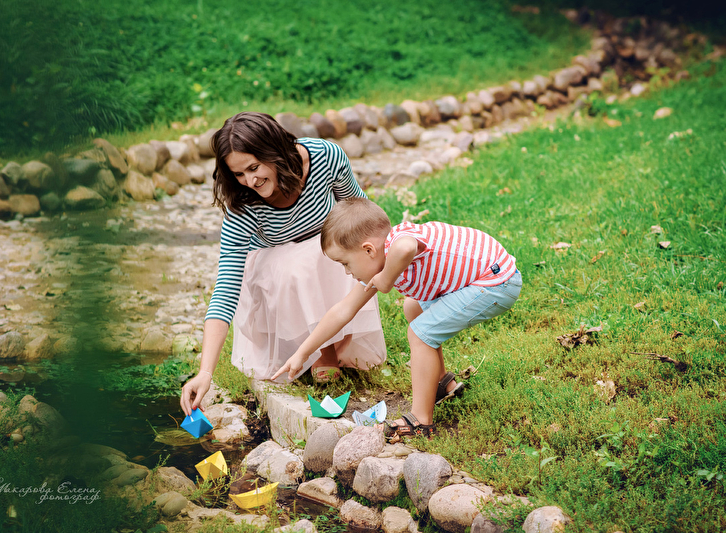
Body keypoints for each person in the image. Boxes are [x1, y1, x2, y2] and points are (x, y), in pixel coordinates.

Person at [180, 112, 386, 416]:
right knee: (301, 261)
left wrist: (395, 253)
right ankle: (311, 348)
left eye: (254, 167)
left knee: (333, 249)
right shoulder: (242, 203)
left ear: (275, 152)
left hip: (327, 255)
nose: (250, 181)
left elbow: (360, 212)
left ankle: (329, 346)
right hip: (276, 273)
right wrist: (205, 372)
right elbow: (226, 288)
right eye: (238, 174)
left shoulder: (325, 157)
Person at [271, 197, 522, 437]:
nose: (347, 272)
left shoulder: (398, 242)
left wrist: (386, 278)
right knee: (413, 308)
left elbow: (406, 248)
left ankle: (420, 421)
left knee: (420, 333)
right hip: (483, 278)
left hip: (496, 282)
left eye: (345, 263)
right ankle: (441, 382)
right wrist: (303, 353)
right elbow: (343, 310)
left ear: (368, 250)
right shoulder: (381, 258)